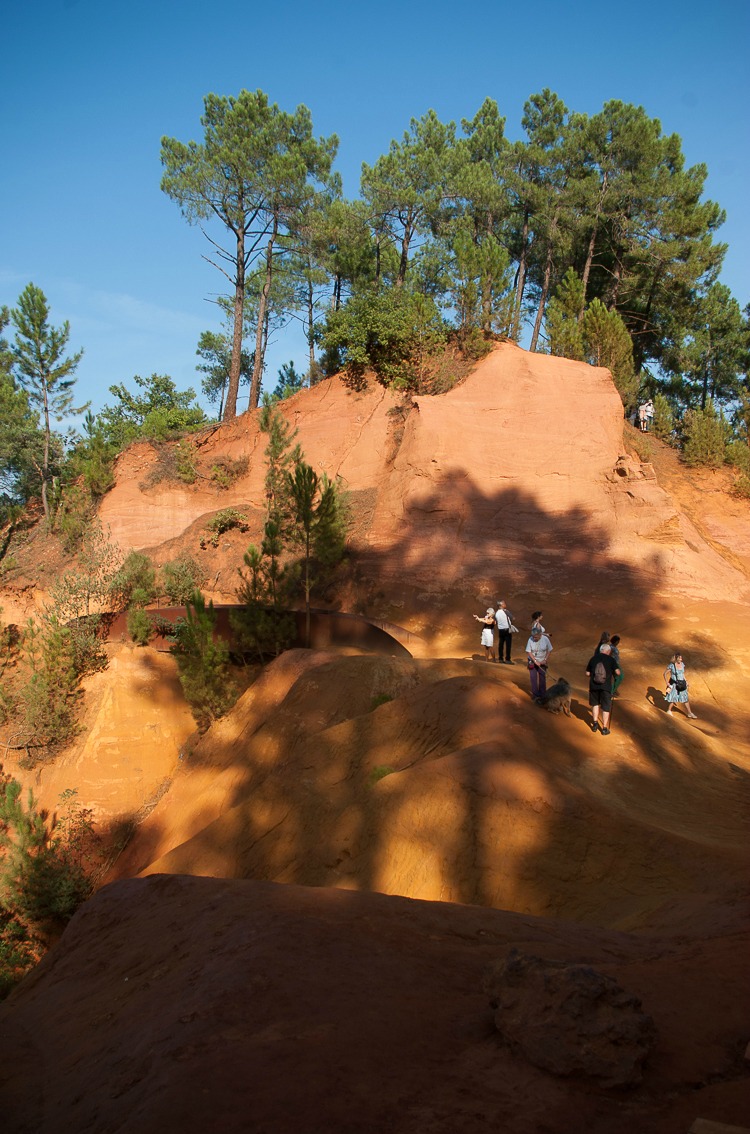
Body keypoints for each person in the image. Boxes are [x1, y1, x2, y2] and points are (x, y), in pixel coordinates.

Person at [585, 641, 620, 735]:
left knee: (595, 704)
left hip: (594, 685)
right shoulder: (611, 660)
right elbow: (617, 673)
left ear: (601, 650)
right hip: (606, 687)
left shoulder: (593, 658)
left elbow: (587, 673)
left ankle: (595, 724)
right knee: (606, 707)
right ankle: (604, 728)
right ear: (608, 651)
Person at [663, 653, 697, 718]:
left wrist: (686, 681)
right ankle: (669, 710)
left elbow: (682, 674)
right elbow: (664, 674)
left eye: (681, 658)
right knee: (674, 698)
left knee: (685, 698)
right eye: (680, 658)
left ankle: (689, 713)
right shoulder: (672, 666)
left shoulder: (682, 664)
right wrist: (667, 682)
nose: (681, 659)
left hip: (682, 683)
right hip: (675, 684)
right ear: (676, 658)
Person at [525, 626, 553, 699]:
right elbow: (528, 651)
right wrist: (535, 661)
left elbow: (549, 650)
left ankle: (542, 694)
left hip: (542, 661)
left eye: (536, 637)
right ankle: (535, 695)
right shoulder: (530, 639)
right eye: (533, 637)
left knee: (542, 677)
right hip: (532, 660)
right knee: (533, 677)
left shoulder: (545, 639)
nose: (534, 638)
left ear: (540, 635)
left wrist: (545, 660)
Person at [494, 600, 514, 664]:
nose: (505, 604)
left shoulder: (496, 613)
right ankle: (507, 659)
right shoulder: (506, 611)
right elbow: (512, 618)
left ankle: (500, 658)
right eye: (504, 603)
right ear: (501, 605)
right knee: (508, 645)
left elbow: (495, 621)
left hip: (501, 630)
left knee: (501, 644)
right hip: (507, 629)